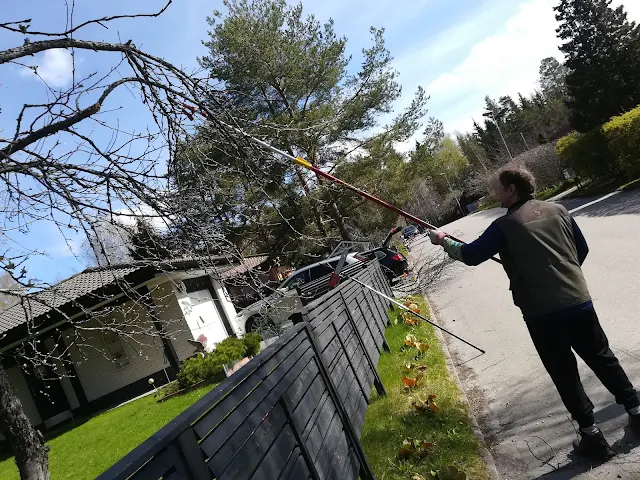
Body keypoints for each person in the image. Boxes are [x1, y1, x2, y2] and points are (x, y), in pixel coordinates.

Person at [428, 164, 640, 461]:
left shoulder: (505, 225)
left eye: (498, 188)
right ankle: (636, 412)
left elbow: (471, 254)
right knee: (603, 358)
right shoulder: (559, 211)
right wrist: (561, 274)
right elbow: (580, 249)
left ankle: (593, 437)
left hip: (543, 314)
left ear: (511, 189)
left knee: (564, 373)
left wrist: (443, 241)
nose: (495, 193)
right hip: (579, 301)